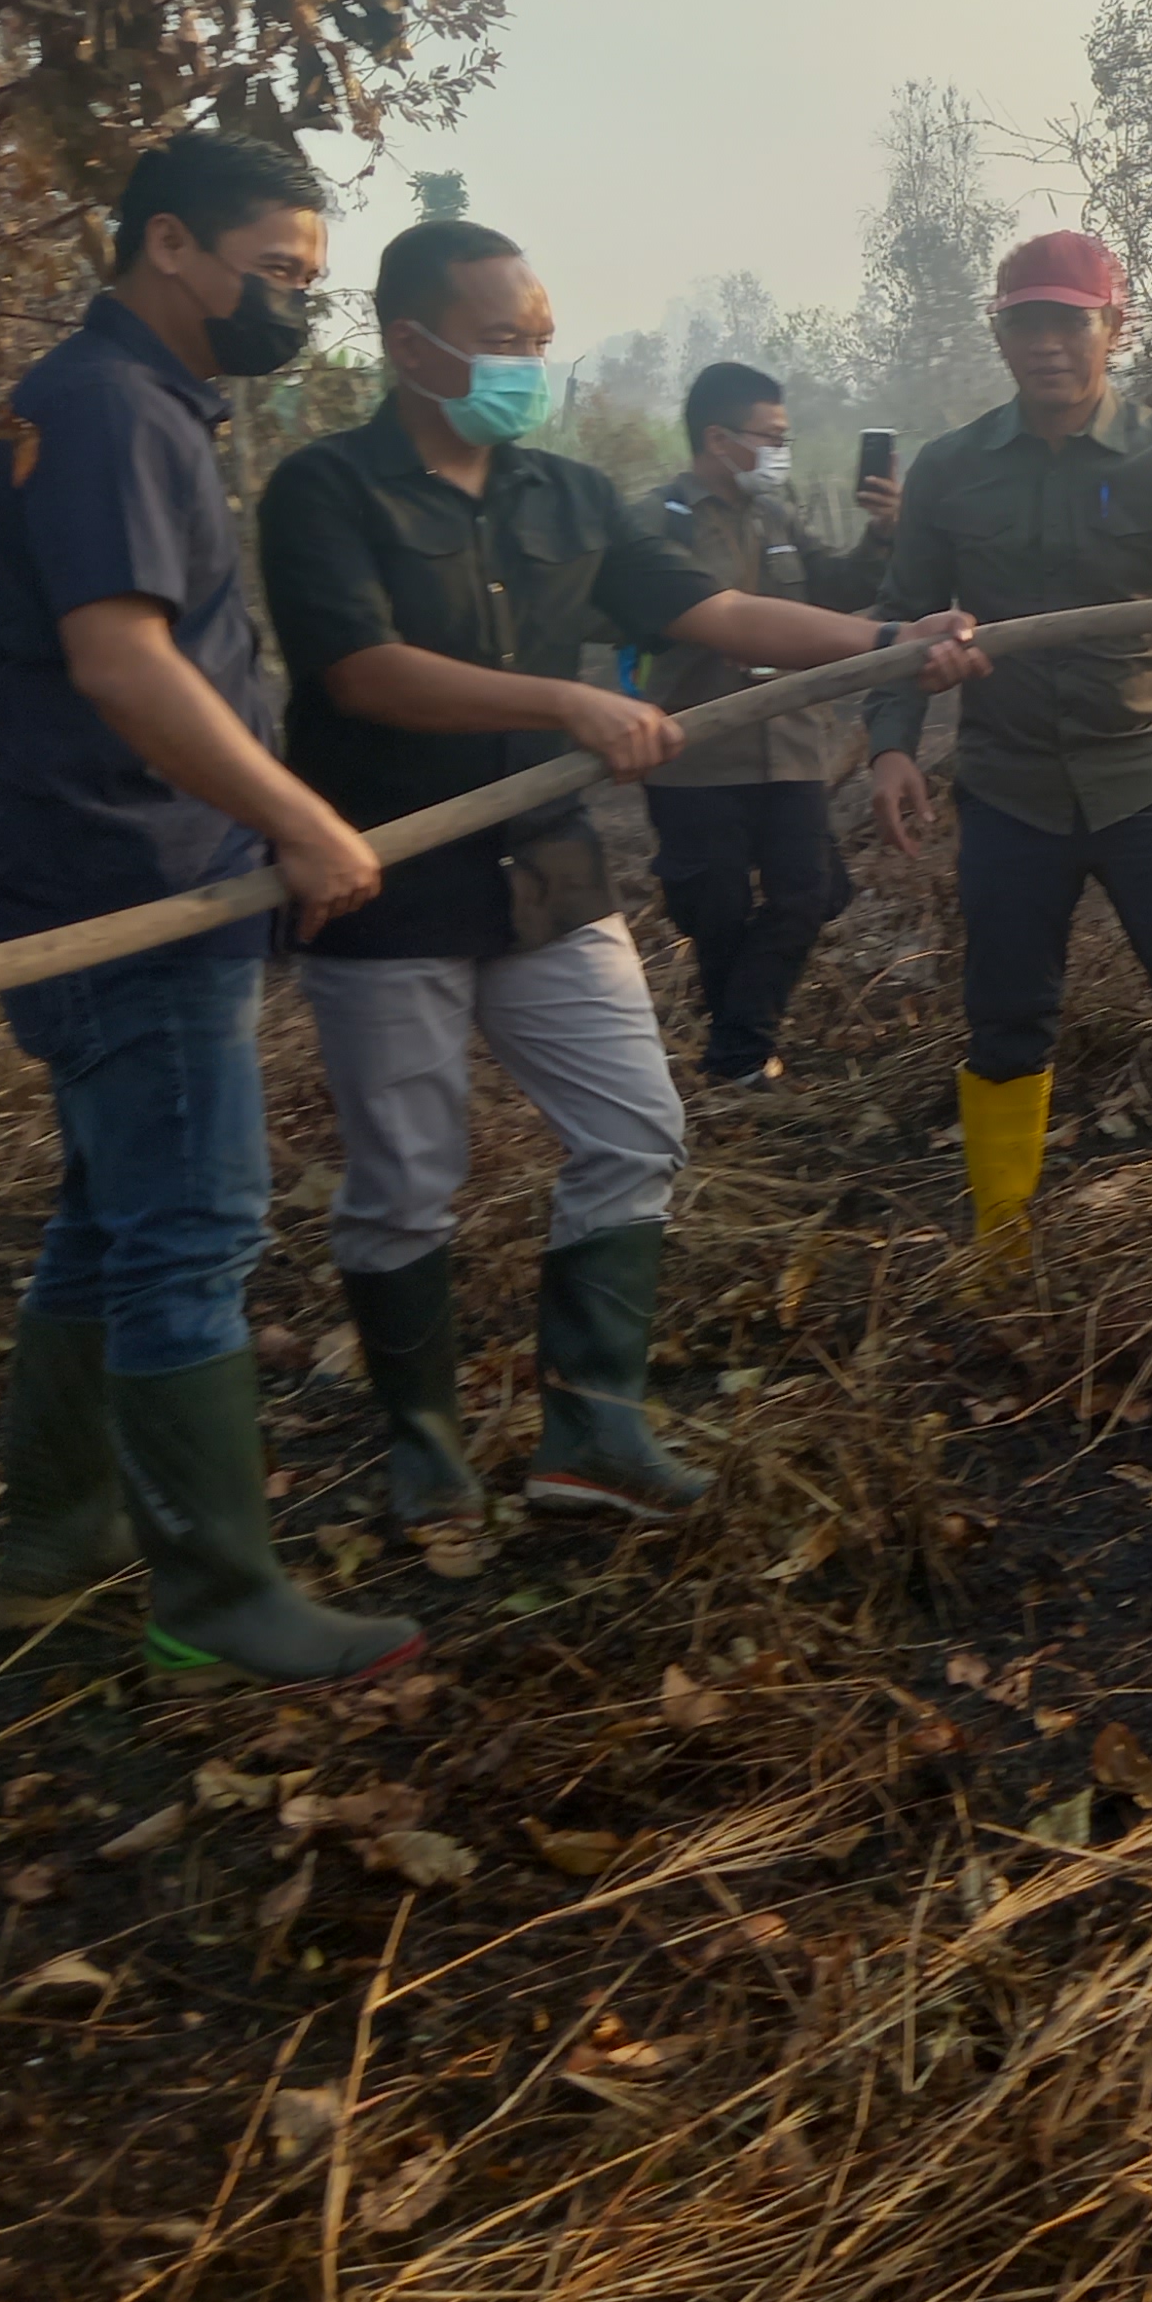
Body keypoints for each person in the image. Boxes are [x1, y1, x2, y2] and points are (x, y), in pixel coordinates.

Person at [261, 219, 981, 1531]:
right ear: (409, 345)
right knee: (407, 1179)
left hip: (545, 873)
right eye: (501, 341)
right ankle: (423, 1447)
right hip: (384, 879)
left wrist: (887, 636)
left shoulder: (569, 497)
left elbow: (717, 613)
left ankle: (592, 1437)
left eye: (539, 340)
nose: (528, 364)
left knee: (636, 1130)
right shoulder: (326, 490)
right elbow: (359, 670)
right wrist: (566, 701)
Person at [0, 129, 421, 1689]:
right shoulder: (108, 407)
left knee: (111, 1223)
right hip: (130, 888)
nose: (294, 304)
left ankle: (56, 1542)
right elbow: (124, 663)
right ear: (168, 246)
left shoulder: (124, 401)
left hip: (130, 874)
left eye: (309, 280)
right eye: (275, 271)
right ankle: (214, 1596)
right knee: (192, 1233)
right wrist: (300, 819)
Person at [859, 228, 1152, 1300]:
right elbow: (903, 616)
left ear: (1113, 329)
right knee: (1006, 1020)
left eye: (1069, 322)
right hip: (1008, 789)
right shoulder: (949, 470)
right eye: (1026, 321)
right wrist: (891, 746)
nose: (1047, 343)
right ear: (1000, 333)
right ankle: (1001, 1252)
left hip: (1145, 781)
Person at [631, 360, 906, 1092]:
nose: (781, 452)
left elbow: (838, 590)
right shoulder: (658, 520)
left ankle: (736, 1050)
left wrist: (883, 533)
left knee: (809, 895)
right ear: (718, 439)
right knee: (714, 908)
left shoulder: (779, 517)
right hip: (696, 752)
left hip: (790, 746)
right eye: (770, 437)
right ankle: (742, 1058)